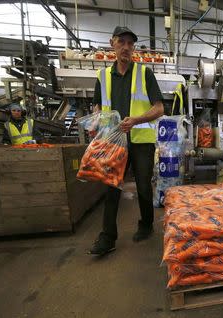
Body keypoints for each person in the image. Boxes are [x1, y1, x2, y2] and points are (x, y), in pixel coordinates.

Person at [89, 26, 164, 256]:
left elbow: (160, 108)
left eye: (130, 44)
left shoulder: (144, 74)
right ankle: (107, 237)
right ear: (112, 43)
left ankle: (146, 224)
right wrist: (95, 122)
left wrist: (137, 120)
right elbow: (97, 106)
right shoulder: (102, 77)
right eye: (121, 42)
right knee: (112, 187)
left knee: (143, 186)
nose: (126, 47)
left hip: (141, 141)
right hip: (114, 140)